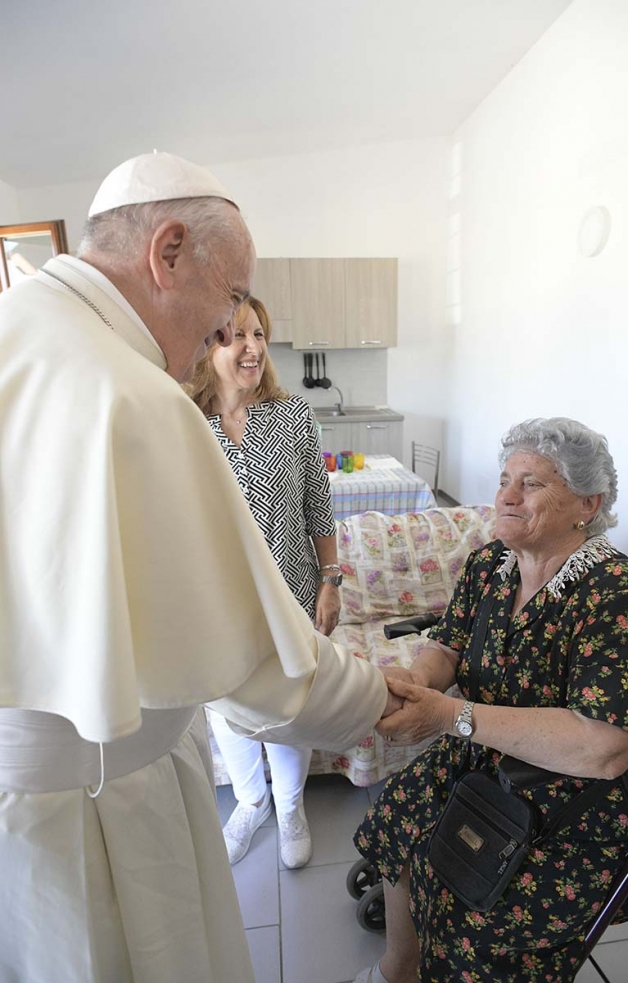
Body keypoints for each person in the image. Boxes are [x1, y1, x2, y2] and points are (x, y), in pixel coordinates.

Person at [0, 151, 398, 983]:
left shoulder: (22, 326)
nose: (225, 333)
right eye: (226, 302)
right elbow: (256, 664)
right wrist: (384, 700)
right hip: (100, 802)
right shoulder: (132, 394)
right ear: (168, 251)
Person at [353, 417, 628, 983]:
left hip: (580, 798)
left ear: (586, 505)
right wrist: (419, 683)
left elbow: (605, 748)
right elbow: (447, 643)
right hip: (487, 759)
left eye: (532, 484)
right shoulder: (491, 564)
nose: (506, 496)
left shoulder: (618, 595)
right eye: (504, 479)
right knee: (397, 813)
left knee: (473, 912)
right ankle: (399, 969)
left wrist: (450, 716)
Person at [186, 296, 340, 868]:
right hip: (218, 604)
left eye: (258, 335)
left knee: (289, 705)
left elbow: (318, 510)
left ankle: (289, 805)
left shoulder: (294, 415)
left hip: (293, 594)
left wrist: (331, 580)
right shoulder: (185, 423)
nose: (251, 348)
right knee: (230, 706)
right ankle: (250, 802)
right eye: (233, 337)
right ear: (208, 346)